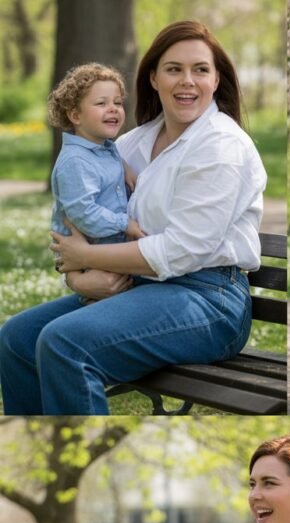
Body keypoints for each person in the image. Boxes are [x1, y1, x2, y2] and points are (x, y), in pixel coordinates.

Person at [0, 20, 266, 414]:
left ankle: (75, 469)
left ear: (216, 80)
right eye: (174, 69)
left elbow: (182, 251)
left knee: (64, 343)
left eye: (200, 70)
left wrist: (88, 259)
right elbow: (76, 217)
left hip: (208, 300)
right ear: (154, 78)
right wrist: (79, 275)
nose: (187, 81)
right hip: (139, 287)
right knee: (16, 339)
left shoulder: (221, 147)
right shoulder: (131, 142)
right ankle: (41, 459)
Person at [47, 63, 144, 245]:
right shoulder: (75, 161)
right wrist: (124, 224)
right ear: (76, 116)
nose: (113, 108)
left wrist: (123, 166)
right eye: (101, 103)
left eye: (117, 102)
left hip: (110, 249)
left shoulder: (106, 149)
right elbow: (84, 214)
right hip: (89, 254)